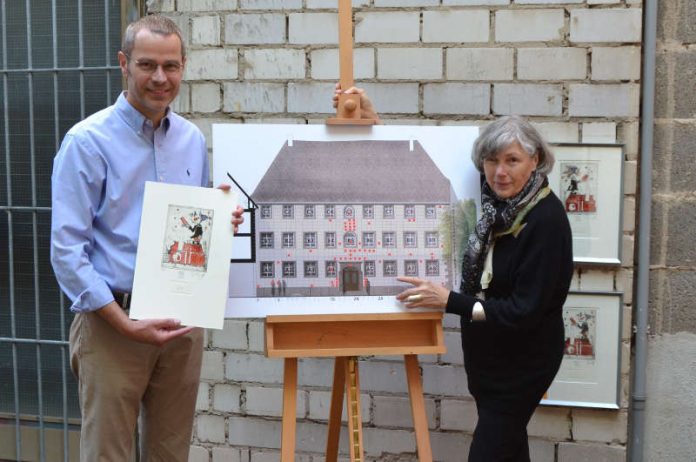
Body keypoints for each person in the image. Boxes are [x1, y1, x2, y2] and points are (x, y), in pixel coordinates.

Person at [50, 15, 244, 461]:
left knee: (170, 453)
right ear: (124, 63)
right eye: (147, 65)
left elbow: (188, 230)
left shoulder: (192, 140)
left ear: (183, 66)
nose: (160, 78)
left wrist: (218, 224)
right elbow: (66, 251)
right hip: (112, 323)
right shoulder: (87, 142)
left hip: (181, 325)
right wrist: (123, 322)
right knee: (108, 454)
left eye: (171, 66)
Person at [396, 116, 573, 461]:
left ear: (535, 161)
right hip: (489, 361)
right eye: (491, 161)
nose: (499, 172)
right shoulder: (497, 206)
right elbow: (416, 160)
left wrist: (451, 301)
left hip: (522, 365)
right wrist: (365, 119)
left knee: (489, 451)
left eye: (512, 160)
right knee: (509, 449)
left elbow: (524, 311)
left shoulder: (545, 220)